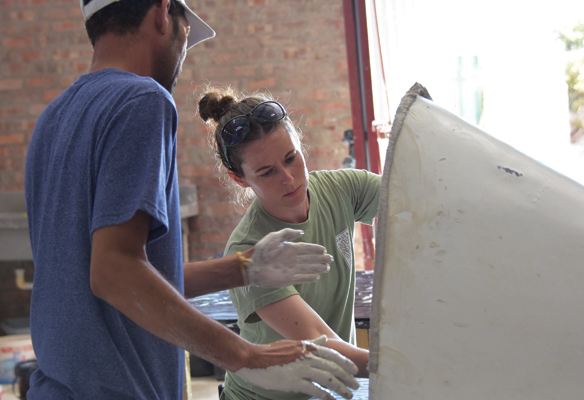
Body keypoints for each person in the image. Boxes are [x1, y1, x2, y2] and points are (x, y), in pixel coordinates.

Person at [23, 1, 361, 399]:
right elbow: (114, 272)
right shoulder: (141, 99)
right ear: (163, 14)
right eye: (186, 36)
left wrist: (242, 269)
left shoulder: (53, 118)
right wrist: (247, 357)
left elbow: (101, 276)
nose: (183, 53)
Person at [197, 87, 381, 400]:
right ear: (240, 179)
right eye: (267, 172)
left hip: (331, 388)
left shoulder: (344, 189)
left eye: (291, 158)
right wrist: (406, 364)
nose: (288, 178)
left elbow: (414, 200)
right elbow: (318, 342)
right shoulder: (248, 252)